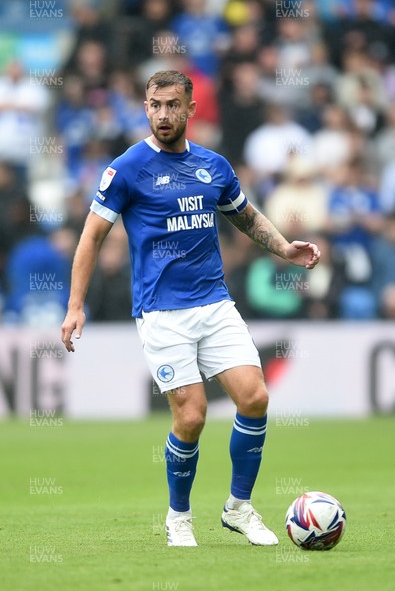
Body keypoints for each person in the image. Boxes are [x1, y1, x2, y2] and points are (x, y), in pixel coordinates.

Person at [61, 70, 320, 547]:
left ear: (190, 109)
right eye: (155, 105)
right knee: (192, 416)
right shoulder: (127, 168)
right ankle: (178, 517)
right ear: (145, 108)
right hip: (161, 311)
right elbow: (92, 236)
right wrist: (75, 305)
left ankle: (239, 507)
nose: (163, 114)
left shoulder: (214, 166)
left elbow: (244, 214)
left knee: (255, 397)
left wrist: (284, 248)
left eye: (172, 105)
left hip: (215, 303)